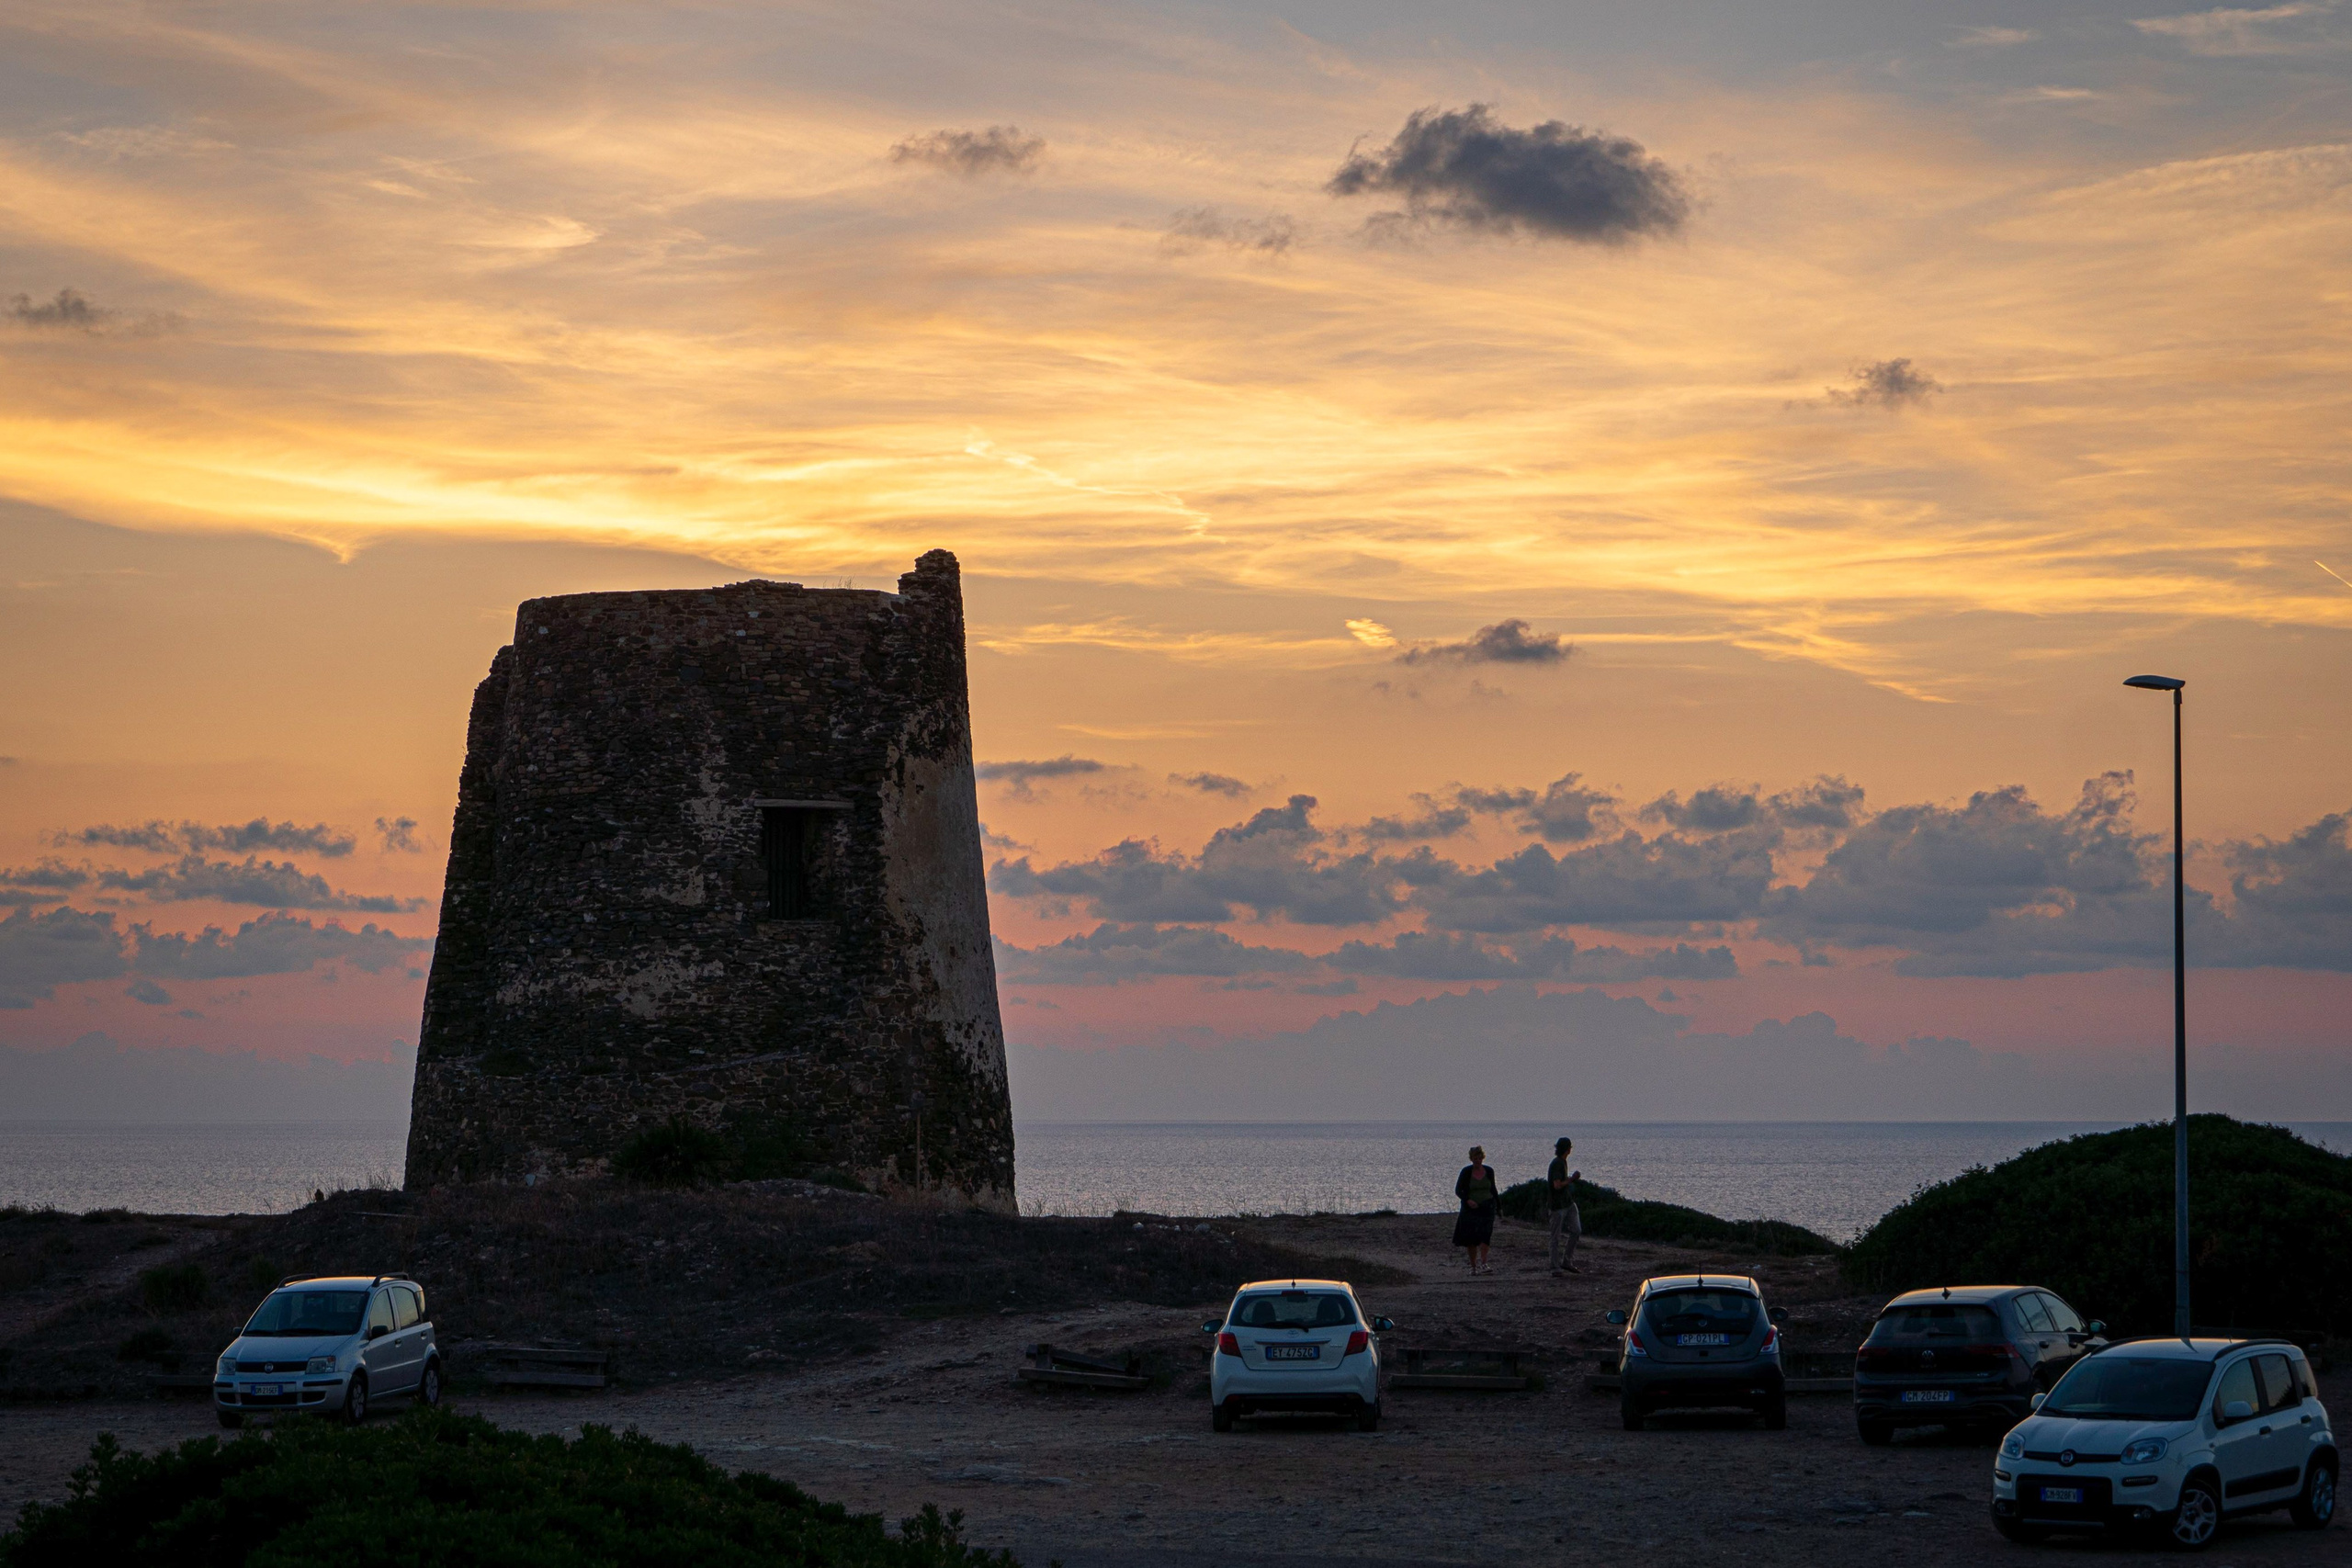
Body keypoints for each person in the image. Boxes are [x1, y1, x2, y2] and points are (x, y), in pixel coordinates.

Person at [1453, 1145, 1500, 1275]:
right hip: (1470, 1209)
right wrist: (1468, 1200)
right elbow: (1458, 1190)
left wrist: (1499, 1206)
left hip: (1487, 1207)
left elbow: (1493, 1189)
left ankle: (1484, 1263)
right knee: (1471, 1238)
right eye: (1475, 1158)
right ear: (1471, 1159)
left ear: (1482, 1158)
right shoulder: (1466, 1172)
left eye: (1479, 1158)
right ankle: (1473, 1266)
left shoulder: (1489, 1171)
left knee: (1486, 1235)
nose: (1478, 1161)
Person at [1546, 1136, 1583, 1276]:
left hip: (1568, 1203)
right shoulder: (1557, 1164)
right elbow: (1557, 1185)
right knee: (1555, 1236)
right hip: (1558, 1206)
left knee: (1576, 1230)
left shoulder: (1562, 1162)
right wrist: (1572, 1179)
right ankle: (1555, 1267)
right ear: (1568, 1149)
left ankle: (1566, 1261)